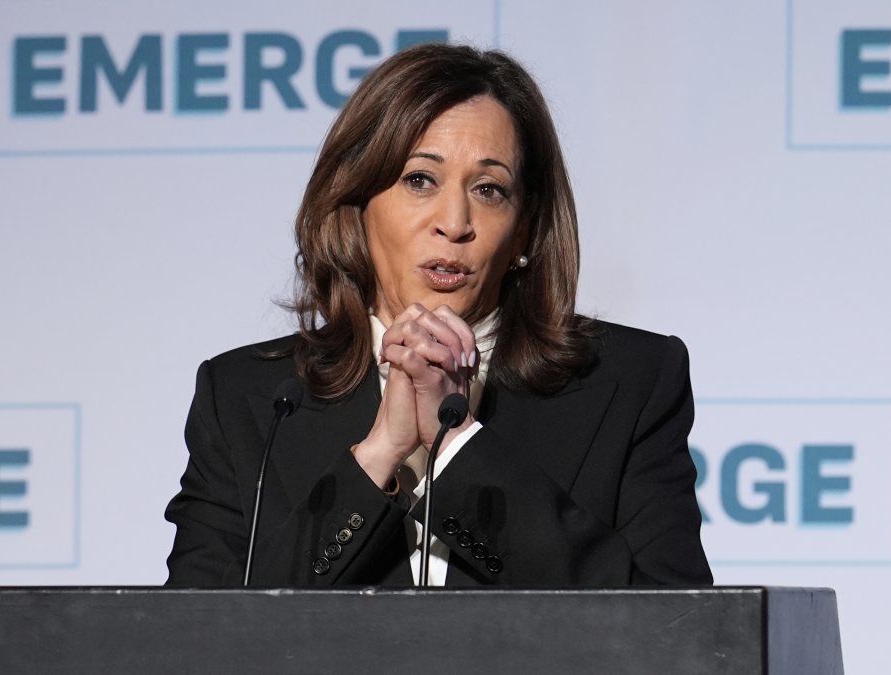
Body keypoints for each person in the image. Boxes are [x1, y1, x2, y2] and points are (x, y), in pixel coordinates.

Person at [164, 43, 712, 587]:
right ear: (357, 204)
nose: (455, 222)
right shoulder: (248, 397)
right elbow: (196, 639)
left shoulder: (631, 381)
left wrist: (458, 451)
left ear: (524, 228)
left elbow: (679, 628)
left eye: (489, 189)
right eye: (419, 180)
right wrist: (377, 455)